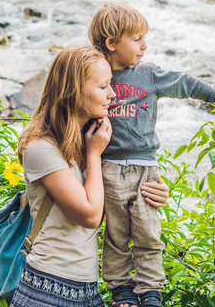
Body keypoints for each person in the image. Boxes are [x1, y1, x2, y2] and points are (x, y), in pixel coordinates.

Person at [88, 3, 215, 307]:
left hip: (145, 169)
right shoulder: (95, 76)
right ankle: (121, 291)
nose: (144, 45)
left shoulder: (148, 74)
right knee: (116, 235)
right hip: (107, 167)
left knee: (148, 234)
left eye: (144, 38)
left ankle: (151, 293)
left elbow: (185, 83)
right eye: (136, 39)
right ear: (111, 44)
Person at [12, 45, 169, 306]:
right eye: (103, 86)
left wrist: (150, 193)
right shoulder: (40, 146)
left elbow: (111, 207)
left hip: (87, 289)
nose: (113, 93)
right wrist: (95, 155)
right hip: (47, 288)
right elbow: (89, 215)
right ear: (73, 91)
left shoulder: (90, 138)